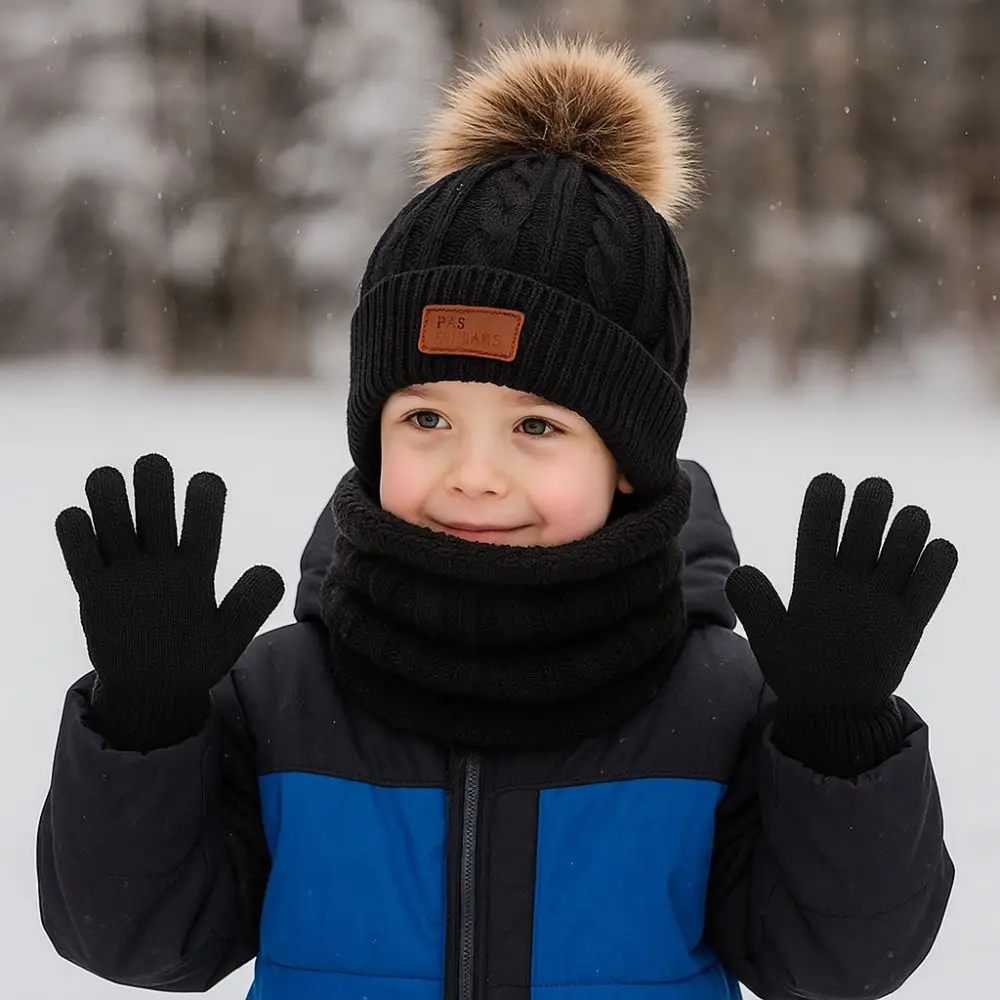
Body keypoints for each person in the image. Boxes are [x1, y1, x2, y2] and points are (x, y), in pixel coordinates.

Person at [38, 36, 957, 1000]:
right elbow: (139, 940)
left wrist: (838, 742)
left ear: (630, 465)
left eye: (536, 425)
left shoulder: (717, 704)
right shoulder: (281, 698)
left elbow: (836, 964)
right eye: (427, 418)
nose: (475, 474)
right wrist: (146, 727)